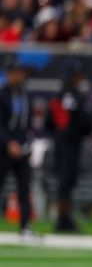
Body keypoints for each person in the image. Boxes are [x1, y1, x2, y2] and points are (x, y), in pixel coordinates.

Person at [48, 61, 92, 232]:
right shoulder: (72, 96)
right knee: (66, 182)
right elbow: (84, 120)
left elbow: (50, 122)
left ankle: (64, 217)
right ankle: (62, 218)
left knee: (66, 182)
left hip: (63, 142)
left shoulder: (61, 95)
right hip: (69, 143)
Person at [0, 57, 35, 237]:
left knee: (24, 188)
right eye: (14, 73)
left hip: (22, 148)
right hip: (4, 149)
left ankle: (25, 225)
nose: (17, 76)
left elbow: (28, 124)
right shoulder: (2, 94)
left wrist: (27, 142)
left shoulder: (25, 95)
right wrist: (8, 143)